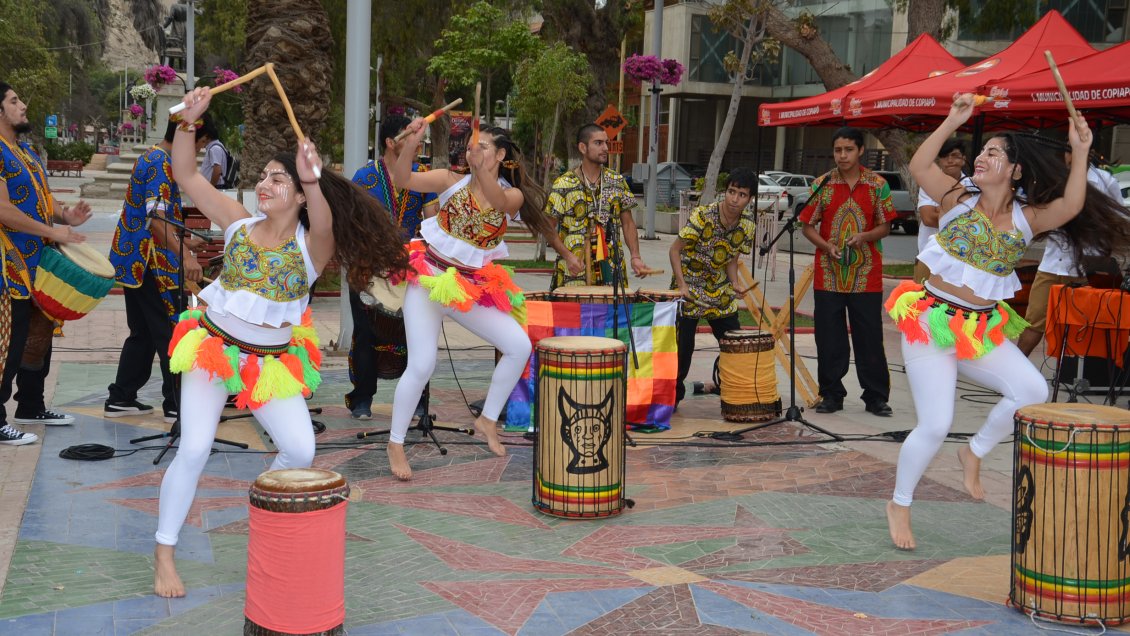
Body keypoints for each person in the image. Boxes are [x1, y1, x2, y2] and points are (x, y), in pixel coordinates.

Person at [154, 87, 408, 597]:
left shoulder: (313, 245)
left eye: (278, 179)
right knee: (195, 447)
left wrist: (311, 178)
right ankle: (164, 554)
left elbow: (326, 218)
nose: (264, 184)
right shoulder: (237, 223)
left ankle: (261, 504)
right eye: (263, 176)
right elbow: (185, 174)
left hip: (271, 362)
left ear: (300, 196)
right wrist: (188, 123)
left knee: (300, 448)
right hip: (214, 348)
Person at [886, 94, 1130, 550]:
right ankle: (900, 504)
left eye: (993, 152)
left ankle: (974, 451)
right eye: (982, 151)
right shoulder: (958, 198)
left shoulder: (1026, 217)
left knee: (1032, 390)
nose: (981, 157)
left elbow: (1072, 204)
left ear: (1015, 170)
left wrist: (1080, 151)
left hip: (979, 329)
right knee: (935, 424)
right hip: (931, 322)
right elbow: (920, 165)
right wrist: (953, 120)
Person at [386, 121, 558, 480]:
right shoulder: (450, 180)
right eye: (470, 147)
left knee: (518, 345)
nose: (472, 152)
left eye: (481, 147)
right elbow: (402, 179)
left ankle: (488, 419)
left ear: (500, 155)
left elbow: (497, 202)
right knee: (422, 365)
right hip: (429, 278)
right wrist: (412, 144)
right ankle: (396, 443)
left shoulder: (512, 195)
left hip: (469, 288)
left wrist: (482, 173)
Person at [0, 82, 90, 445]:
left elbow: (43, 198)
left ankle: (31, 405)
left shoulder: (26, 152)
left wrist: (66, 216)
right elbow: (3, 210)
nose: (23, 105)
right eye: (14, 101)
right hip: (7, 265)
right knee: (7, 341)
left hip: (36, 263)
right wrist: (52, 231)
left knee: (38, 334)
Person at [105, 119, 209, 423]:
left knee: (143, 332)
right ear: (188, 138)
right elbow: (157, 221)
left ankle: (121, 396)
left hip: (135, 259)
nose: (198, 153)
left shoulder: (153, 157)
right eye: (200, 145)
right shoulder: (160, 164)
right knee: (170, 332)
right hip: (150, 263)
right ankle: (176, 403)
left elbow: (155, 220)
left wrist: (184, 243)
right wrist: (186, 255)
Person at [799, 127, 896, 417]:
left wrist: (865, 236)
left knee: (869, 337)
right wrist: (826, 246)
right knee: (829, 338)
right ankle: (831, 394)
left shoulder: (878, 185)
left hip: (866, 275)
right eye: (838, 150)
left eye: (848, 149)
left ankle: (875, 397)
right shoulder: (822, 184)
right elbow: (806, 226)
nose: (842, 155)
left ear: (861, 150)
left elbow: (886, 226)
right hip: (828, 274)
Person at [346, 115, 437, 419]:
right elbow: (352, 222)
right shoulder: (365, 177)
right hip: (369, 266)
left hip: (410, 267)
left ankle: (419, 400)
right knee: (364, 332)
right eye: (409, 134)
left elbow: (432, 222)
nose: (417, 140)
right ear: (390, 142)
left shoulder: (422, 176)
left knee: (418, 333)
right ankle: (362, 398)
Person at [1016, 148, 1124, 356]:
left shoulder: (1104, 180)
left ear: (1089, 152)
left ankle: (1071, 372)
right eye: (1067, 151)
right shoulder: (1055, 178)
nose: (1070, 156)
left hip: (1085, 268)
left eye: (1075, 151)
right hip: (1051, 265)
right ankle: (1015, 369)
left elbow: (1117, 215)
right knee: (1033, 323)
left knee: (1081, 329)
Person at [668, 167, 757, 406]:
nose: (734, 199)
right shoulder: (703, 215)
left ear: (750, 199)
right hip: (690, 285)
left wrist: (735, 284)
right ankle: (672, 397)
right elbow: (674, 250)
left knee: (734, 342)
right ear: (724, 192)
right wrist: (681, 285)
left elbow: (731, 259)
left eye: (742, 194)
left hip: (719, 288)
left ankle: (733, 391)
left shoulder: (748, 225)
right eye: (731, 191)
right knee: (682, 347)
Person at [546, 124, 650, 289]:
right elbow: (548, 227)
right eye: (598, 143)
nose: (605, 148)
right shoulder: (564, 184)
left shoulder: (616, 181)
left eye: (606, 143)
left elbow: (628, 223)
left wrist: (635, 257)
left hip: (611, 266)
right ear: (583, 148)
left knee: (613, 306)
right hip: (574, 268)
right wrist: (568, 256)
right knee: (573, 306)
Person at [915, 139, 972, 284]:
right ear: (939, 161)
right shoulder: (928, 183)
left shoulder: (973, 185)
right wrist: (960, 213)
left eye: (955, 156)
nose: (950, 160)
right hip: (929, 254)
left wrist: (940, 210)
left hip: (961, 257)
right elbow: (928, 219)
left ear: (963, 159)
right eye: (945, 156)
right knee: (922, 295)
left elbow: (973, 222)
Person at [198, 119, 228, 187]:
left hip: (216, 187)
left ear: (208, 137)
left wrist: (211, 187)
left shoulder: (214, 149)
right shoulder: (215, 147)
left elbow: (217, 171)